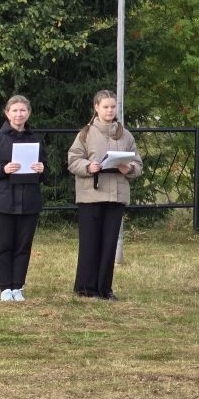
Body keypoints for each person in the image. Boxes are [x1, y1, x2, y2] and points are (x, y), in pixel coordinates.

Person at [67, 89, 143, 300]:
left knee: (109, 244)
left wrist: (129, 168)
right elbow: (73, 160)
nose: (110, 110)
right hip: (91, 194)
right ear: (96, 108)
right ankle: (85, 288)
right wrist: (87, 166)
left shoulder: (126, 135)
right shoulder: (86, 134)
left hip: (116, 195)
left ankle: (104, 289)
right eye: (105, 107)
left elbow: (137, 164)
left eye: (113, 106)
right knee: (90, 243)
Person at [0, 95, 47, 302]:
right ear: (7, 113)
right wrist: (3, 169)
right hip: (3, 202)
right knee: (3, 246)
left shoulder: (36, 139)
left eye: (23, 110)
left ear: (29, 113)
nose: (19, 114)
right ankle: (5, 287)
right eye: (15, 110)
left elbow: (46, 173)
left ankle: (18, 286)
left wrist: (42, 169)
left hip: (29, 202)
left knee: (23, 247)